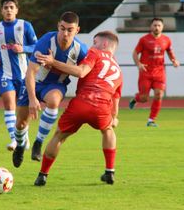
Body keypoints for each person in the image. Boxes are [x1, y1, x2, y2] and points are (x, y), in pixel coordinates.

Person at [32, 31, 122, 186]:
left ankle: (42, 175)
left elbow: (81, 72)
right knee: (108, 130)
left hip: (82, 102)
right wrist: (114, 117)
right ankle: (110, 172)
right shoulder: (118, 69)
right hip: (102, 107)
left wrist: (53, 62)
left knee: (59, 136)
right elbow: (116, 98)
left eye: (95, 42)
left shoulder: (95, 53)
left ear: (104, 44)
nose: (92, 45)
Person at [11, 11, 88, 168]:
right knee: (20, 123)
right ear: (58, 26)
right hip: (34, 82)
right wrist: (32, 99)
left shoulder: (81, 50)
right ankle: (19, 145)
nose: (65, 33)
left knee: (53, 102)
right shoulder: (46, 40)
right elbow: (31, 72)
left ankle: (38, 143)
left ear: (77, 30)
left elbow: (84, 72)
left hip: (55, 85)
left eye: (70, 30)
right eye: (62, 28)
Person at [0, 0, 38, 151]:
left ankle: (23, 138)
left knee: (23, 111)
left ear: (16, 10)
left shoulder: (25, 26)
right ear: (2, 11)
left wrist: (24, 49)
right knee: (9, 105)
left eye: (11, 7)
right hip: (5, 73)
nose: (8, 10)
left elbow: (36, 46)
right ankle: (15, 140)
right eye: (5, 7)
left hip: (24, 75)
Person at [128, 18, 180, 127]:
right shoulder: (144, 40)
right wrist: (139, 64)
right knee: (144, 98)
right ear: (151, 27)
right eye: (155, 25)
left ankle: (151, 120)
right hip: (146, 72)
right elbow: (135, 53)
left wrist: (174, 60)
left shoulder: (166, 40)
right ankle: (135, 99)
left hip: (159, 72)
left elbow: (170, 51)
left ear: (162, 27)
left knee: (159, 95)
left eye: (159, 25)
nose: (157, 27)